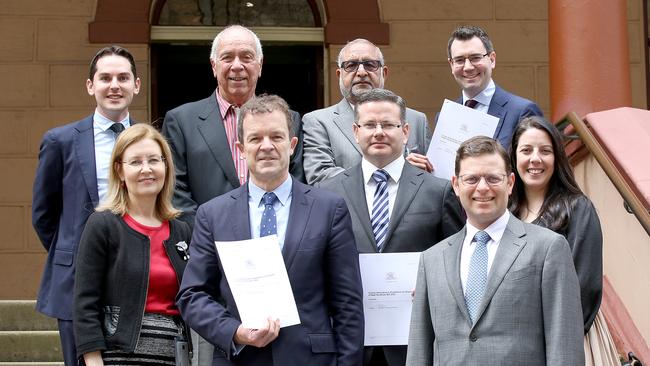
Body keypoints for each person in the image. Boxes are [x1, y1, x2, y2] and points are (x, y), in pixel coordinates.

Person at [177, 94, 364, 366]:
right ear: (241, 148)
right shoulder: (212, 215)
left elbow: (348, 304)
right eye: (255, 139)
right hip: (239, 358)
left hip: (311, 359)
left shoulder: (329, 209)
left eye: (276, 137)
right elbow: (192, 295)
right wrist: (235, 332)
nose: (266, 146)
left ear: (292, 145)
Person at [406, 136, 584, 366]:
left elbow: (565, 346)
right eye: (471, 179)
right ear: (456, 185)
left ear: (510, 183)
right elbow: (419, 350)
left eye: (492, 178)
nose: (482, 188)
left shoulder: (548, 248)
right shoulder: (431, 259)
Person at [319, 89, 463, 366]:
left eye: (388, 124)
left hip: (418, 341)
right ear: (355, 131)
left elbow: (456, 259)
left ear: (406, 131)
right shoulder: (328, 192)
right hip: (351, 344)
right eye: (370, 125)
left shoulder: (439, 191)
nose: (379, 132)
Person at [31, 45, 140, 365]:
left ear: (137, 84)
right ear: (91, 85)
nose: (114, 85)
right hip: (76, 280)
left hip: (134, 275)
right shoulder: (60, 141)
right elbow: (43, 215)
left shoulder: (149, 140)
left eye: (123, 77)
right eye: (105, 78)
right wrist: (78, 250)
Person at [162, 25, 304, 227]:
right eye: (227, 57)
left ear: (260, 65)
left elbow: (297, 183)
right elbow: (175, 190)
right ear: (213, 66)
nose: (237, 66)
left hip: (275, 236)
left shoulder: (290, 119)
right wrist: (208, 234)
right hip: (207, 243)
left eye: (246, 57)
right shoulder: (181, 121)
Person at [73, 124, 192, 365]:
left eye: (154, 160)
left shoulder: (181, 230)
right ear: (119, 170)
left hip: (175, 357)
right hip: (118, 357)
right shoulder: (103, 225)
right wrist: (93, 360)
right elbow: (85, 304)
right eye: (135, 162)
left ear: (166, 167)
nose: (146, 169)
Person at [509, 116, 602, 334]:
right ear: (513, 157)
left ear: (557, 157)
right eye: (526, 151)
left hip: (562, 335)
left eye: (545, 151)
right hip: (512, 339)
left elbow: (585, 287)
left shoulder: (578, 209)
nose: (535, 159)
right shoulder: (503, 214)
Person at [303, 38, 431, 184]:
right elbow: (320, 177)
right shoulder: (318, 122)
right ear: (339, 75)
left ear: (384, 73)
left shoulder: (417, 120)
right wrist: (386, 175)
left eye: (370, 65)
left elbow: (434, 175)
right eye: (351, 65)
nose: (361, 72)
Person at [445, 25, 543, 149]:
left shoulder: (522, 111)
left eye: (475, 58)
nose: (468, 67)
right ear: (451, 64)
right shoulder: (446, 116)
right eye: (459, 60)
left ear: (492, 60)